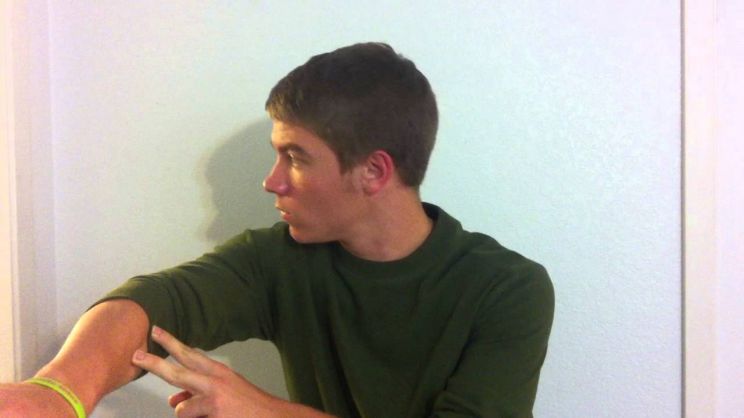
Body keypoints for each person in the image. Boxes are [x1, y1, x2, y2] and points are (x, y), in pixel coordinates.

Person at [0, 42, 554, 418]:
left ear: (373, 171)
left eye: (295, 156)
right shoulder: (282, 259)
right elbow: (155, 303)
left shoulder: (507, 288)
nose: (271, 182)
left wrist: (261, 410)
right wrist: (58, 393)